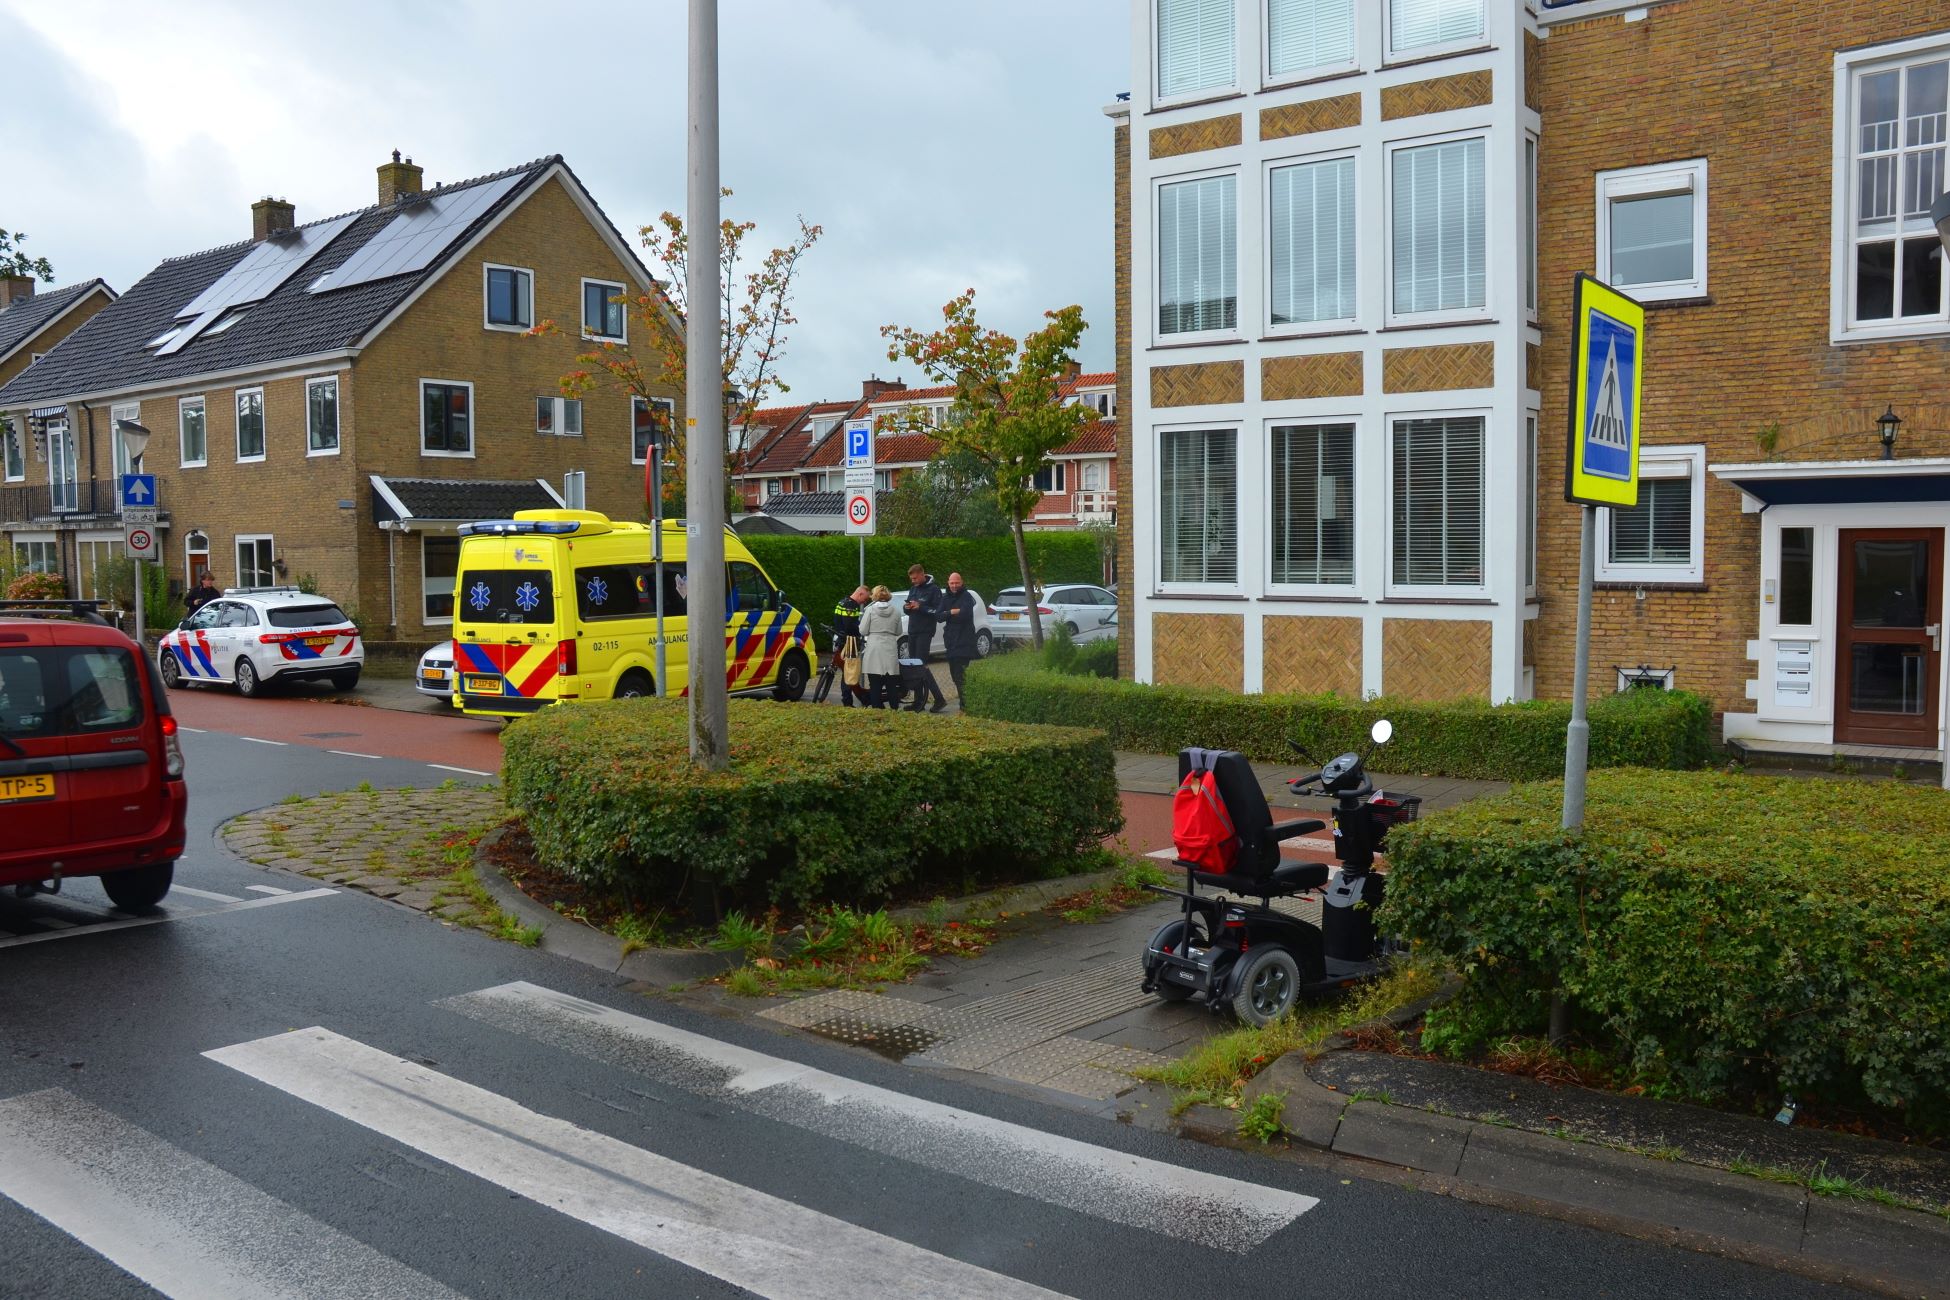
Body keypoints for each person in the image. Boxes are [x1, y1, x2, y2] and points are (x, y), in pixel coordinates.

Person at [901, 563, 948, 712]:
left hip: (925, 632)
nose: (913, 581)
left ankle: (939, 699)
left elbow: (937, 612)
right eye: (911, 579)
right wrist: (907, 608)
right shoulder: (913, 589)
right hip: (913, 630)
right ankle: (918, 701)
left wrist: (921, 607)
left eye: (915, 578)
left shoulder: (934, 590)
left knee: (921, 666)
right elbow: (908, 609)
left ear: (922, 574)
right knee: (913, 667)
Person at [937, 571, 980, 705]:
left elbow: (965, 615)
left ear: (961, 583)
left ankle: (964, 705)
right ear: (948, 583)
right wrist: (952, 612)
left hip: (964, 641)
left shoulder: (966, 596)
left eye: (957, 583)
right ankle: (965, 702)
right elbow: (938, 616)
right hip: (951, 642)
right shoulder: (945, 598)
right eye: (952, 583)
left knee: (961, 675)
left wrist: (948, 614)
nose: (954, 585)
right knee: (954, 676)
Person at [860, 584, 903, 709]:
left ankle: (877, 711)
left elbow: (863, 630)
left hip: (874, 648)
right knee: (891, 685)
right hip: (890, 648)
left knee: (875, 686)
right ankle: (894, 710)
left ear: (874, 596)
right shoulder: (896, 611)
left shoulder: (870, 610)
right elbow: (899, 631)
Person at [831, 585, 870, 708]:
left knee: (846, 671)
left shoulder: (842, 601)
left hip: (841, 639)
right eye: (865, 599)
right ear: (860, 594)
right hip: (849, 642)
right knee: (849, 671)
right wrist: (861, 631)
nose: (864, 602)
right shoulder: (851, 605)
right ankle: (848, 700)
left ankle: (850, 699)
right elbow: (850, 626)